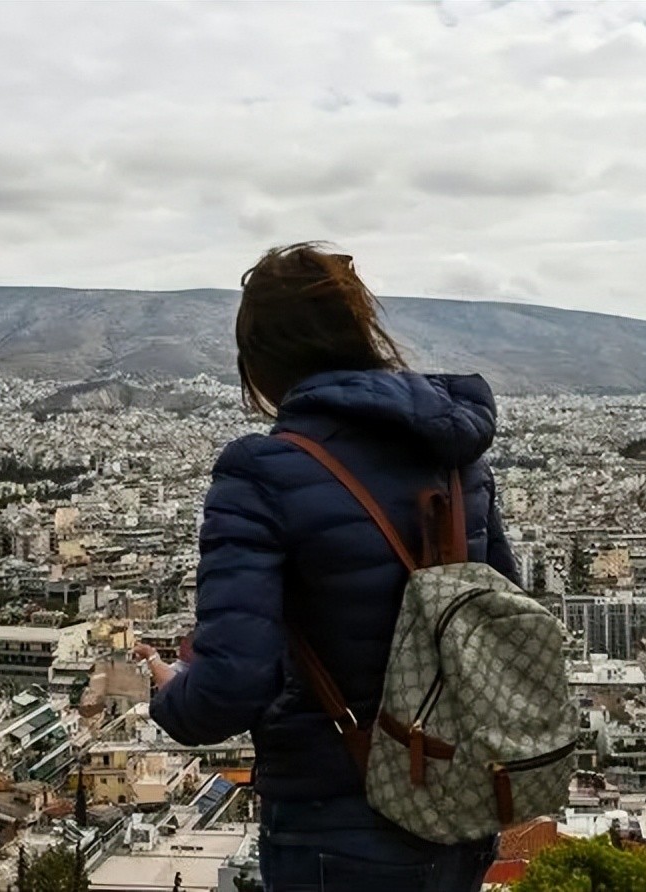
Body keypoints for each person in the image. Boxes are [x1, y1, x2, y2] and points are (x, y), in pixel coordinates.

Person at [150, 243, 519, 891]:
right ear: (361, 334)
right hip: (460, 803)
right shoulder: (458, 459)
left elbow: (231, 683)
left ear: (259, 361)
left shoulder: (261, 471)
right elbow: (502, 619)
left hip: (337, 816)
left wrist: (170, 692)